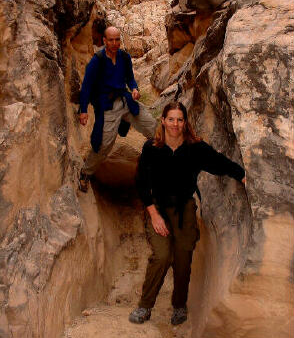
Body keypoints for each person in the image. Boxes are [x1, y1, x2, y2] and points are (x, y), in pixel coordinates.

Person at [129, 101, 245, 326]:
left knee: (183, 257)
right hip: (158, 209)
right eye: (170, 119)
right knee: (161, 256)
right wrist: (153, 215)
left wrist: (241, 174)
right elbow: (141, 183)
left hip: (185, 209)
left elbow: (218, 162)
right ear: (162, 121)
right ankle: (145, 305)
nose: (175, 124)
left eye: (179, 119)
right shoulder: (151, 148)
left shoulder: (195, 148)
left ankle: (179, 305)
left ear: (185, 123)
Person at [79, 26, 156, 192]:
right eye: (111, 40)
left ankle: (160, 165)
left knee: (152, 125)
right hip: (108, 106)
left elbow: (130, 78)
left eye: (117, 39)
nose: (115, 43)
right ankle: (86, 173)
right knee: (104, 144)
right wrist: (83, 110)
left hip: (125, 100)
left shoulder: (124, 57)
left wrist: (134, 89)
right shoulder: (97, 61)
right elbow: (86, 87)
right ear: (104, 41)